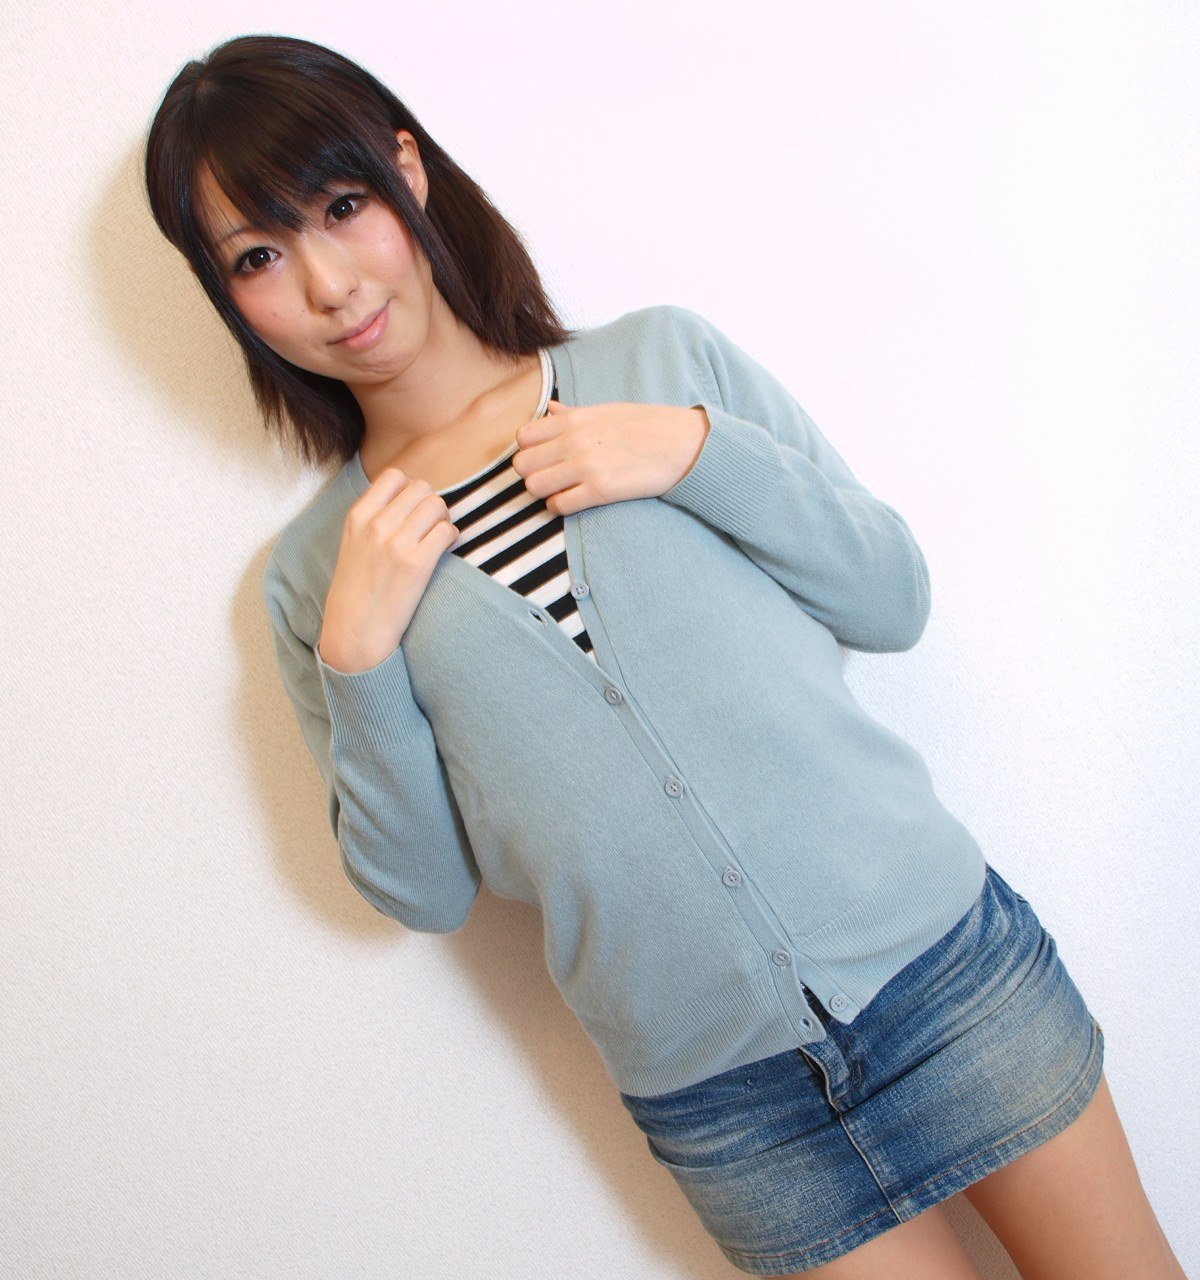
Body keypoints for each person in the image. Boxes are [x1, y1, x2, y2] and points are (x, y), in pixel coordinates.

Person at [143, 34, 1186, 1280]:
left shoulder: (659, 365)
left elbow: (890, 597)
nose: (327, 281)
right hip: (731, 1104)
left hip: (949, 972)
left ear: (408, 171)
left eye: (341, 204)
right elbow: (422, 891)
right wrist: (359, 657)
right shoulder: (319, 573)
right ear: (227, 295)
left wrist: (698, 452)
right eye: (257, 256)